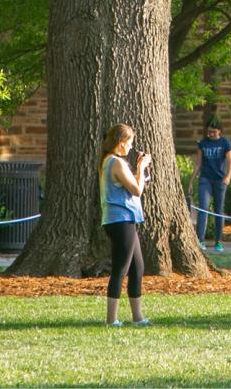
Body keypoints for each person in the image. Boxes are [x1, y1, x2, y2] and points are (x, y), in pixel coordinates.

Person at [99, 124, 151, 327]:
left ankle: (137, 317)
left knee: (137, 267)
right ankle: (111, 319)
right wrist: (141, 167)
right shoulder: (115, 162)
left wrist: (140, 171)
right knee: (120, 269)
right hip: (119, 220)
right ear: (121, 143)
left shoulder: (110, 161)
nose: (131, 147)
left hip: (127, 219)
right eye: (129, 143)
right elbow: (137, 190)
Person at [192, 119, 231, 252]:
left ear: (219, 132)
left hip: (220, 180)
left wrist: (228, 177)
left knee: (218, 210)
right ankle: (201, 240)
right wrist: (192, 181)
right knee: (203, 208)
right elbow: (198, 164)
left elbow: (230, 162)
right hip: (205, 179)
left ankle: (218, 241)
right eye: (209, 131)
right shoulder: (203, 144)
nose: (210, 134)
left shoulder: (225, 143)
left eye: (213, 132)